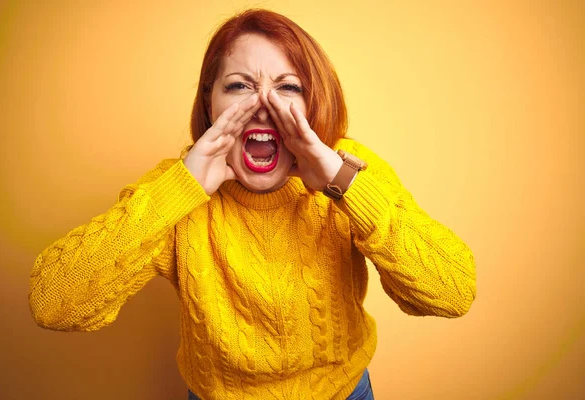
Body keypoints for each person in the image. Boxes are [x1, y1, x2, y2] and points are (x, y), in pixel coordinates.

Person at [28, 8, 476, 400]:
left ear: (313, 98)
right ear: (210, 100)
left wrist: (343, 186)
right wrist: (177, 191)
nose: (264, 107)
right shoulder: (175, 188)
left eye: (288, 87)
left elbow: (452, 291)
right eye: (240, 85)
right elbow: (53, 303)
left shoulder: (348, 168)